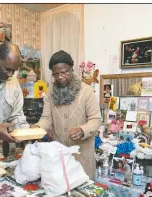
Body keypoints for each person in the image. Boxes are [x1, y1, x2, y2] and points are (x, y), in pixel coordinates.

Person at [31, 50, 101, 179]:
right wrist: (36, 128)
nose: (60, 77)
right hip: (59, 155)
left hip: (82, 156)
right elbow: (46, 118)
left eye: (64, 72)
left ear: (71, 69)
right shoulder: (50, 91)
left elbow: (96, 120)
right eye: (55, 74)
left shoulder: (86, 91)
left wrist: (82, 130)